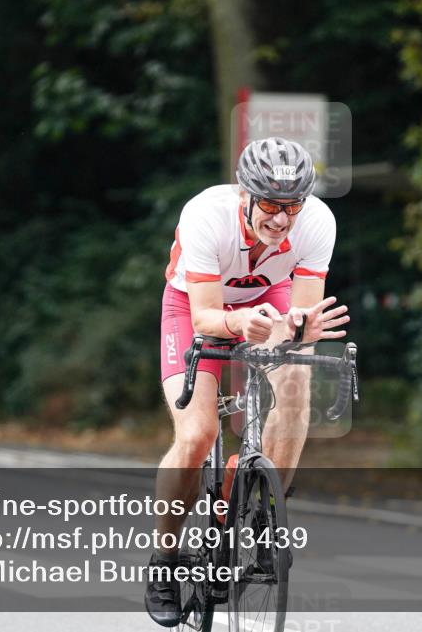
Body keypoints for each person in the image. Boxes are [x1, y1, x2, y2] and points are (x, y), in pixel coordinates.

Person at [146, 137, 350, 626]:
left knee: (296, 379)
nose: (281, 219)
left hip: (271, 296)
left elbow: (299, 314)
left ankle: (264, 517)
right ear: (245, 196)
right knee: (197, 436)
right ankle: (164, 561)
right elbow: (204, 317)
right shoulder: (205, 216)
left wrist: (297, 330)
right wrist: (239, 324)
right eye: (271, 205)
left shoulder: (318, 222)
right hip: (196, 307)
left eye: (292, 206)